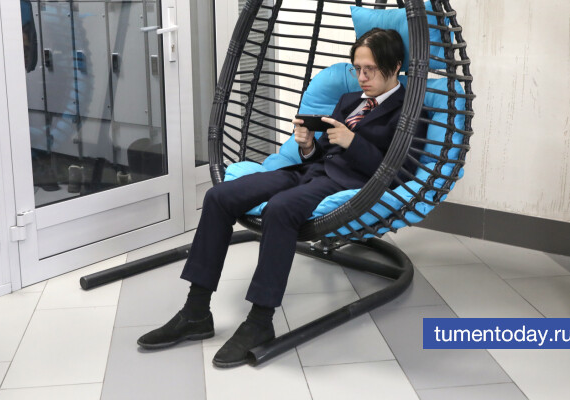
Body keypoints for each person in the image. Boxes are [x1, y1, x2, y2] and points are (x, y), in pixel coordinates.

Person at [137, 28, 419, 368]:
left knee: (280, 209)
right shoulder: (349, 101)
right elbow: (322, 154)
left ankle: (260, 321)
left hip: (345, 185)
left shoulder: (408, 112)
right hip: (307, 173)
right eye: (357, 68)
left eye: (370, 69)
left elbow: (402, 174)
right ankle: (196, 311)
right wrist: (308, 145)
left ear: (396, 66)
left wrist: (353, 142)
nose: (361, 77)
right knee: (219, 196)